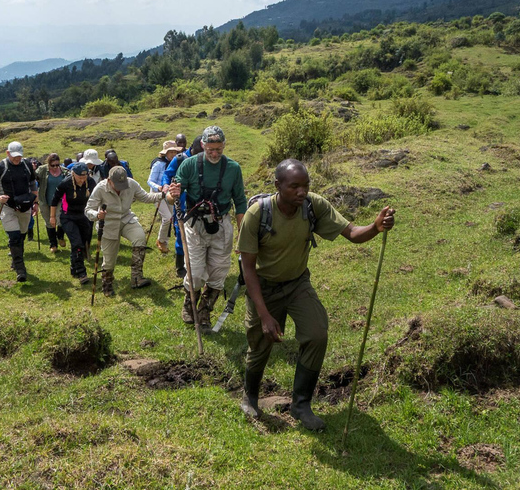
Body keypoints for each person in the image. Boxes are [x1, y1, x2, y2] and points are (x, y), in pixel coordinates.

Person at [236, 159, 395, 430]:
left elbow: (353, 233)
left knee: (317, 332)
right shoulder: (257, 214)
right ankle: (250, 396)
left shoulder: (313, 205)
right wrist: (264, 315)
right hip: (263, 287)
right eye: (294, 186)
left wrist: (375, 226)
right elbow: (248, 269)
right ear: (278, 186)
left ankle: (301, 405)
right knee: (261, 343)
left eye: (306, 185)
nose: (301, 192)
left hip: (298, 283)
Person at [167, 126, 247, 331]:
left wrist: (243, 236)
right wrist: (172, 193)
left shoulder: (233, 168)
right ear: (202, 145)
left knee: (218, 273)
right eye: (210, 149)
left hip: (221, 225)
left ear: (224, 146)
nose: (214, 153)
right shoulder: (188, 165)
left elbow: (240, 203)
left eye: (218, 149)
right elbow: (171, 195)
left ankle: (204, 311)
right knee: (195, 272)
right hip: (195, 225)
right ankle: (189, 303)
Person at [85, 166, 166, 296]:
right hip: (108, 224)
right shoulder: (100, 188)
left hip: (126, 219)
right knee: (109, 260)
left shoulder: (131, 184)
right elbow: (88, 209)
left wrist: (163, 194)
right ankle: (107, 284)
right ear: (109, 180)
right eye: (117, 184)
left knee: (140, 238)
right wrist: (97, 215)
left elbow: (146, 197)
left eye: (122, 184)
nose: (120, 187)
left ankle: (136, 278)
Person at [0, 141, 38, 282]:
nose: (17, 159)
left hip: (25, 206)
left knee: (21, 236)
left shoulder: (26, 165)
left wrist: (36, 202)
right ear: (7, 153)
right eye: (14, 156)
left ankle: (15, 260)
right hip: (7, 206)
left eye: (19, 156)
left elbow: (33, 183)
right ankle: (21, 270)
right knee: (14, 236)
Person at [162, 135, 203, 277]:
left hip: (199, 202)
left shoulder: (206, 159)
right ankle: (180, 266)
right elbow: (167, 175)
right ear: (193, 147)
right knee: (181, 233)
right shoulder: (180, 159)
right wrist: (167, 187)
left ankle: (197, 263)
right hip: (182, 202)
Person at [51, 162, 97, 285]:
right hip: (68, 217)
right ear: (73, 174)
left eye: (84, 177)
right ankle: (82, 273)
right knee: (76, 243)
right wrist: (52, 217)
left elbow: (97, 198)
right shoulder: (65, 184)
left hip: (84, 216)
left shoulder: (91, 183)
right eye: (79, 177)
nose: (82, 180)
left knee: (82, 243)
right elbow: (54, 200)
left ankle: (74, 267)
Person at [147, 140, 181, 253]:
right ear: (165, 153)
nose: (173, 155)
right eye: (171, 152)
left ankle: (164, 243)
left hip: (168, 193)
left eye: (175, 152)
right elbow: (150, 181)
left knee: (171, 217)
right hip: (157, 194)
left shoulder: (175, 163)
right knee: (167, 217)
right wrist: (159, 187)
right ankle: (160, 241)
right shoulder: (158, 164)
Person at [36, 153, 69, 253]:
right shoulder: (42, 170)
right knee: (49, 223)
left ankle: (60, 236)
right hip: (45, 200)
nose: (55, 167)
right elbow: (33, 177)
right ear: (48, 164)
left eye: (57, 165)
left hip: (60, 200)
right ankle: (53, 244)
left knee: (61, 220)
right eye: (53, 165)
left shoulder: (64, 171)